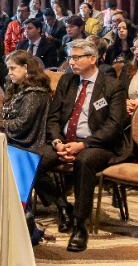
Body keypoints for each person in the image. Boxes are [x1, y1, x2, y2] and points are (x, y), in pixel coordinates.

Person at [48, 38, 129, 251]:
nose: (71, 62)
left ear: (92, 58)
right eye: (70, 57)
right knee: (33, 155)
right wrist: (57, 142)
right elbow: (53, 117)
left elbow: (114, 125)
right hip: (64, 142)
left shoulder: (112, 85)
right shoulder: (67, 81)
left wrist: (82, 145)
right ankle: (61, 205)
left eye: (76, 57)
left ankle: (79, 225)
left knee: (84, 162)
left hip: (98, 146)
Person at [0, 51, 63, 238]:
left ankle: (24, 223)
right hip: (15, 140)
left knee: (6, 164)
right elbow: (5, 114)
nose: (9, 73)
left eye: (13, 68)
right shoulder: (17, 88)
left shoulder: (36, 93)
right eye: (9, 68)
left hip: (29, 143)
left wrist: (0, 124)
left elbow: (23, 124)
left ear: (26, 68)